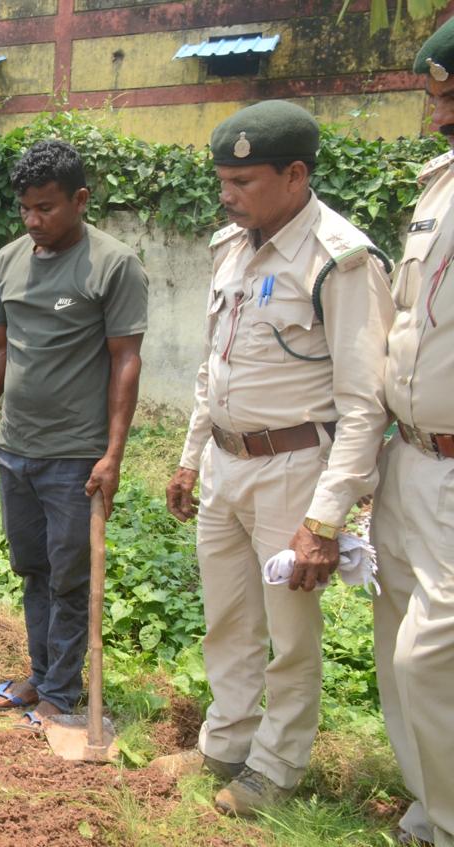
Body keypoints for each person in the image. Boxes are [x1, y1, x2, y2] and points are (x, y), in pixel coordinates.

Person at [156, 100, 393, 815]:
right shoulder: (233, 248)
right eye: (223, 179)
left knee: (289, 635)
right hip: (226, 464)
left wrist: (325, 520)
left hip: (294, 470)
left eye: (244, 180)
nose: (227, 194)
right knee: (227, 618)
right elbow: (213, 368)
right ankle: (226, 742)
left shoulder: (341, 260)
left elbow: (363, 405)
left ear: (295, 175)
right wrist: (190, 456)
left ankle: (276, 767)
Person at [0, 140, 148, 729]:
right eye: (25, 210)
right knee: (33, 569)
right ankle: (43, 675)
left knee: (70, 577)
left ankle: (62, 695)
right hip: (16, 451)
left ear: (80, 200)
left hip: (74, 457)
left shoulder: (113, 265)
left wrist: (113, 453)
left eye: (47, 208)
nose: (34, 221)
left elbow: (126, 360)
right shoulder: (10, 260)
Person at [371, 21, 454, 847]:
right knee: (394, 624)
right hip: (410, 452)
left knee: (428, 654)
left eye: (447, 91)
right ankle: (428, 808)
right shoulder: (440, 185)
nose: (436, 107)